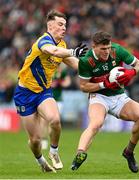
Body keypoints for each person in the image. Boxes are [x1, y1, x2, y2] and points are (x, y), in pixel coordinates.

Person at [13, 10, 87, 173]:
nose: (64, 28)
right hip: (24, 94)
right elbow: (52, 51)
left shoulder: (62, 45)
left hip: (43, 92)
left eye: (65, 25)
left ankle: (54, 152)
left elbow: (74, 63)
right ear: (50, 25)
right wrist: (73, 51)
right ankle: (41, 162)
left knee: (54, 120)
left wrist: (92, 67)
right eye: (60, 24)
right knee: (35, 139)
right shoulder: (43, 42)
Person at [71, 31, 139, 173]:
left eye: (108, 48)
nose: (107, 51)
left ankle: (129, 152)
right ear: (94, 46)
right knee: (96, 123)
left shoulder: (117, 50)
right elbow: (84, 86)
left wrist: (131, 72)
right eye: (103, 49)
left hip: (119, 96)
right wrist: (104, 84)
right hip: (98, 96)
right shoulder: (86, 61)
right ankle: (80, 153)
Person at [41, 64, 71, 150]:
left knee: (54, 122)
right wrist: (50, 84)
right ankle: (44, 140)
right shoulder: (47, 70)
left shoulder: (62, 72)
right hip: (46, 99)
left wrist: (60, 83)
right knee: (44, 120)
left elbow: (68, 82)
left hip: (58, 100)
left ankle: (52, 142)